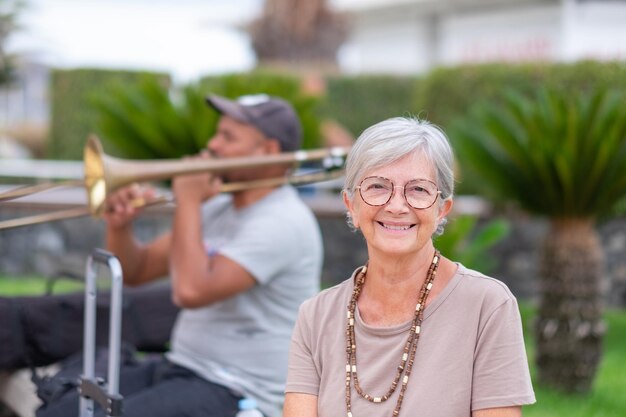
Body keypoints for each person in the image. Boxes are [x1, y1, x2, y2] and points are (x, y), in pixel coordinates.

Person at [36, 93, 323, 417]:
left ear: (269, 151)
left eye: (228, 137)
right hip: (184, 367)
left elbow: (191, 291)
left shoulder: (283, 220)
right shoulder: (218, 207)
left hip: (239, 389)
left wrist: (188, 199)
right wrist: (121, 226)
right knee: (60, 412)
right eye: (217, 132)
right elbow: (138, 270)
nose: (212, 144)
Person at [283, 117, 536, 417]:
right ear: (351, 204)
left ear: (442, 209)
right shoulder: (316, 315)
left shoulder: (487, 306)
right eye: (377, 186)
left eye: (417, 190)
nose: (396, 205)